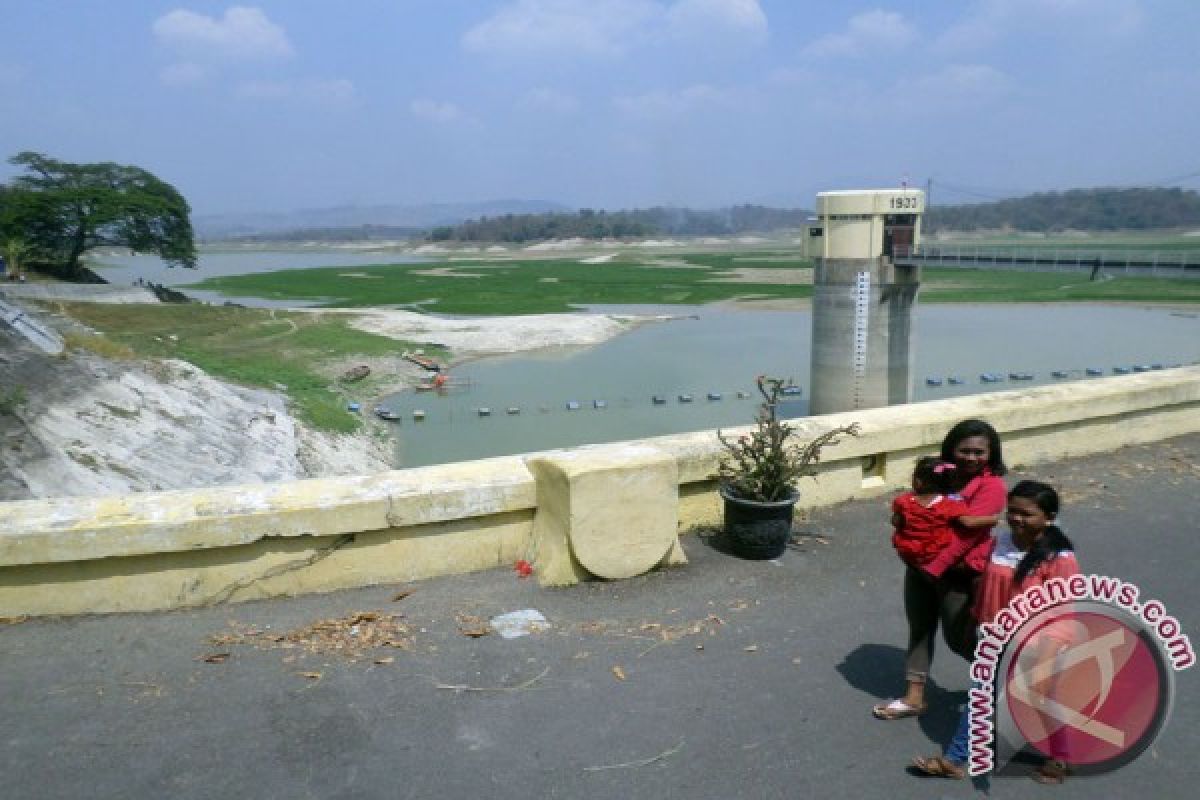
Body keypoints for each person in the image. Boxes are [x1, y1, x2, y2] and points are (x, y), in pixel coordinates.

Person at [912, 480, 1080, 783]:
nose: (1016, 519)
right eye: (1012, 511)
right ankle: (954, 759)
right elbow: (977, 574)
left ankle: (1059, 759)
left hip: (1034, 645)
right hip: (993, 638)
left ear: (1049, 517)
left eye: (1026, 514)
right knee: (983, 695)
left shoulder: (1059, 559)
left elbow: (1062, 613)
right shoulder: (1001, 543)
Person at [873, 419, 1008, 720]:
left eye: (979, 452)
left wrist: (933, 567)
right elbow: (915, 512)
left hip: (957, 573)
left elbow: (966, 537)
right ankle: (914, 697)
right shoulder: (939, 476)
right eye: (964, 451)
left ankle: (1011, 684)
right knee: (920, 628)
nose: (971, 458)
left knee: (960, 639)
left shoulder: (990, 486)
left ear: (991, 454)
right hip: (920, 567)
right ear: (951, 450)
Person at [889, 457, 988, 572]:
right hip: (931, 552)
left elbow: (895, 522)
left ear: (918, 481)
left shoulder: (904, 501)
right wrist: (993, 519)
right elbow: (969, 522)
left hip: (906, 549)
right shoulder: (949, 504)